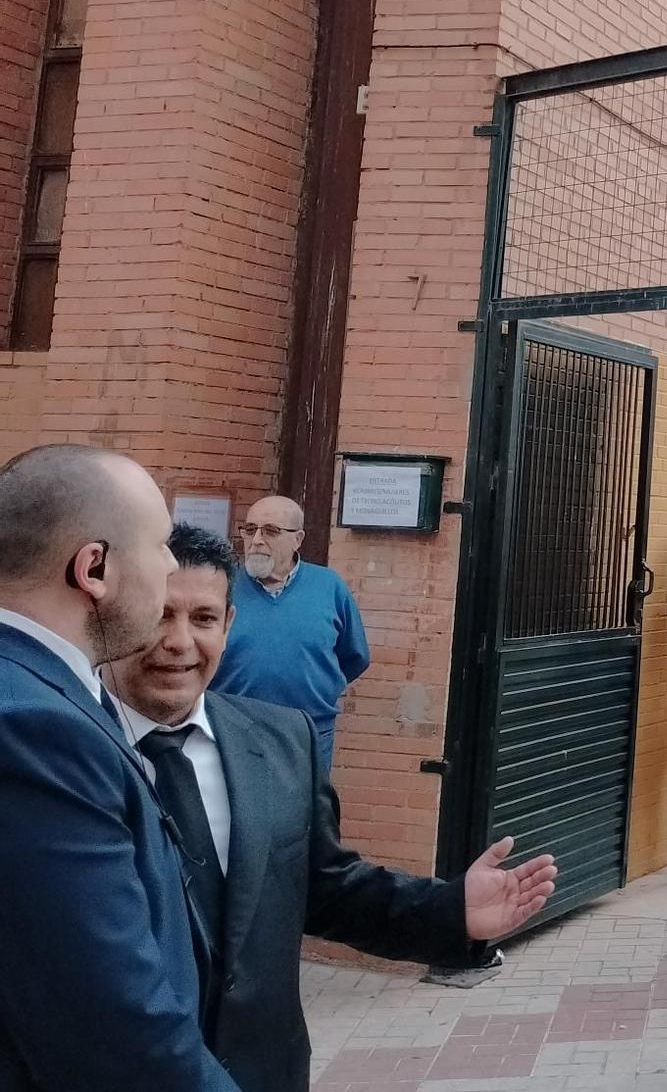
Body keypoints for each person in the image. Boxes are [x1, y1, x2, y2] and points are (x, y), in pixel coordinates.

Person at [101, 524, 557, 1092]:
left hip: (261, 1071)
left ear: (229, 626)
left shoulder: (280, 741)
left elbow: (326, 886)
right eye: (159, 614)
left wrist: (449, 911)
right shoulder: (60, 748)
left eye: (203, 619)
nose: (179, 641)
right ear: (114, 614)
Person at [0, 444, 235, 1090]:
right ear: (93, 568)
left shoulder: (48, 693)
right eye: (160, 545)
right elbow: (119, 1035)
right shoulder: (34, 730)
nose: (170, 565)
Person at [210, 495, 369, 770]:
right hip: (231, 732)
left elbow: (354, 656)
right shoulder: (223, 587)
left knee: (304, 811)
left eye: (270, 531)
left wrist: (317, 686)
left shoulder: (328, 587)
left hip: (308, 734)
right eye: (250, 529)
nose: (257, 539)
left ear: (297, 539)